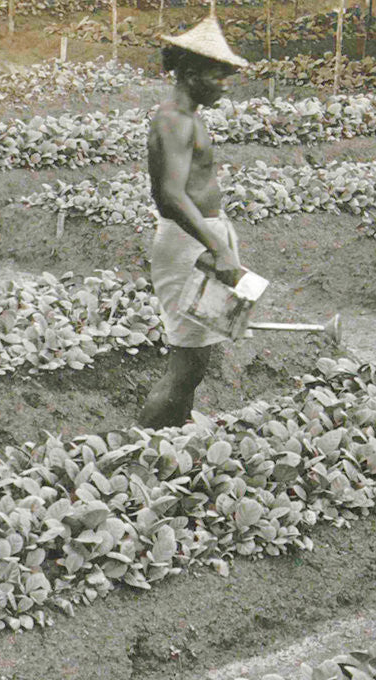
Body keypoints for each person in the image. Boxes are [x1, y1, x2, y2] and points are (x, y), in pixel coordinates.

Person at [137, 15, 249, 429]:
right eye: (218, 74)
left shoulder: (190, 117)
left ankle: (177, 434)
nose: (225, 83)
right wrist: (217, 248)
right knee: (185, 364)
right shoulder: (173, 119)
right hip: (189, 244)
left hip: (201, 240)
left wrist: (222, 242)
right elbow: (170, 196)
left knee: (196, 361)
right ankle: (140, 444)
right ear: (188, 71)